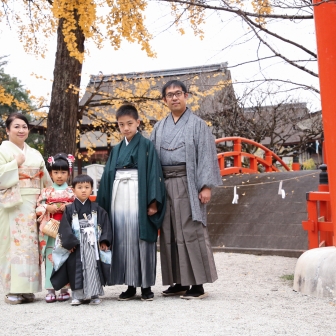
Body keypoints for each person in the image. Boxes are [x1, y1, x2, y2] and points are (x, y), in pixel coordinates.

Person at [150, 80, 222, 299]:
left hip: (188, 183)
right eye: (169, 95)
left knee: (191, 231)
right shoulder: (159, 127)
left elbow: (207, 157)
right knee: (170, 232)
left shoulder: (198, 125)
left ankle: (198, 284)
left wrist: (206, 186)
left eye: (178, 93)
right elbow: (152, 160)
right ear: (164, 100)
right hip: (165, 185)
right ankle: (179, 281)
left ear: (186, 96)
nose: (174, 98)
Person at [97, 104, 166, 301]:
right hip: (119, 195)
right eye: (121, 125)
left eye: (129, 123)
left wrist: (153, 202)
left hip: (139, 192)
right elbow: (108, 175)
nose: (126, 128)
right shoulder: (117, 149)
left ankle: (145, 286)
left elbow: (154, 172)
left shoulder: (146, 145)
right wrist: (103, 206)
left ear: (138, 123)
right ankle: (129, 285)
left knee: (140, 237)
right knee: (122, 236)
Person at [0, 112, 52, 304]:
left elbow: (44, 179)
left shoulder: (35, 153)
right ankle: (13, 289)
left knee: (31, 246)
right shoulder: (3, 151)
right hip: (11, 205)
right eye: (16, 126)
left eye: (24, 126)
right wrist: (15, 164)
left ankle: (28, 289)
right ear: (7, 130)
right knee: (12, 246)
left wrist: (45, 200)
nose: (21, 130)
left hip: (32, 204)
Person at [50, 174, 112, 305]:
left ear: (91, 189)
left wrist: (104, 241)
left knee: (93, 267)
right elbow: (64, 227)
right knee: (75, 268)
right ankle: (77, 296)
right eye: (80, 187)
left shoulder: (98, 209)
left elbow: (105, 224)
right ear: (73, 190)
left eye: (87, 187)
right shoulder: (69, 209)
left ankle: (95, 294)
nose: (83, 190)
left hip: (92, 242)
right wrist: (69, 243)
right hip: (76, 244)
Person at [36, 153, 75, 303]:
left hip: (66, 229)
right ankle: (50, 289)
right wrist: (47, 207)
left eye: (63, 172)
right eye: (56, 172)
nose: (59, 176)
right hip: (50, 230)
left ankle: (65, 289)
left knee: (65, 257)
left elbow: (77, 206)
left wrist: (68, 207)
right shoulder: (46, 191)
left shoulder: (71, 192)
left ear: (68, 173)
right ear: (51, 173)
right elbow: (38, 207)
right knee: (50, 258)